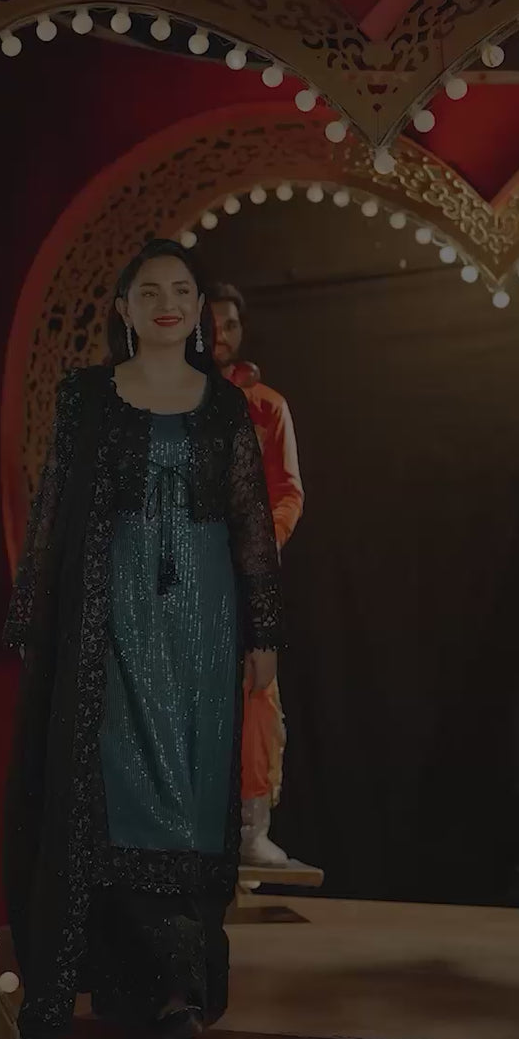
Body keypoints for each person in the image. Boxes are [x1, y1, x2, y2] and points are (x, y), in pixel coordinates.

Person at [2, 239, 284, 1039]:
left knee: (192, 791)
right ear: (124, 308)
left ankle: (178, 985)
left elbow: (251, 521)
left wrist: (263, 629)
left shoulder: (226, 406)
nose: (168, 303)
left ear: (198, 311)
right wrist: (33, 613)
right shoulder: (87, 396)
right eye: (150, 291)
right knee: (118, 781)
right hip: (111, 614)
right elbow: (53, 504)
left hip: (205, 618)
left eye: (182, 291)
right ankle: (131, 980)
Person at [208, 282, 304, 867]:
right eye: (212, 323)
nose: (222, 335)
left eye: (231, 325)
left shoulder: (266, 406)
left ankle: (250, 830)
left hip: (246, 572)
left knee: (255, 690)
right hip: (175, 570)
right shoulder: (160, 400)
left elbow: (288, 492)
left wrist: (258, 543)